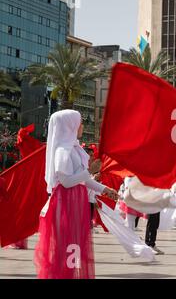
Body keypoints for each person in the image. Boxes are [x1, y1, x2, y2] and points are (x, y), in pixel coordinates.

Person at [34, 110, 117, 279]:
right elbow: (66, 182)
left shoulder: (73, 149)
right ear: (69, 125)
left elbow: (82, 179)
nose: (82, 126)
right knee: (66, 246)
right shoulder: (62, 151)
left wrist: (105, 190)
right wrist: (89, 171)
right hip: (65, 204)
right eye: (79, 122)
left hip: (74, 203)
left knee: (74, 246)